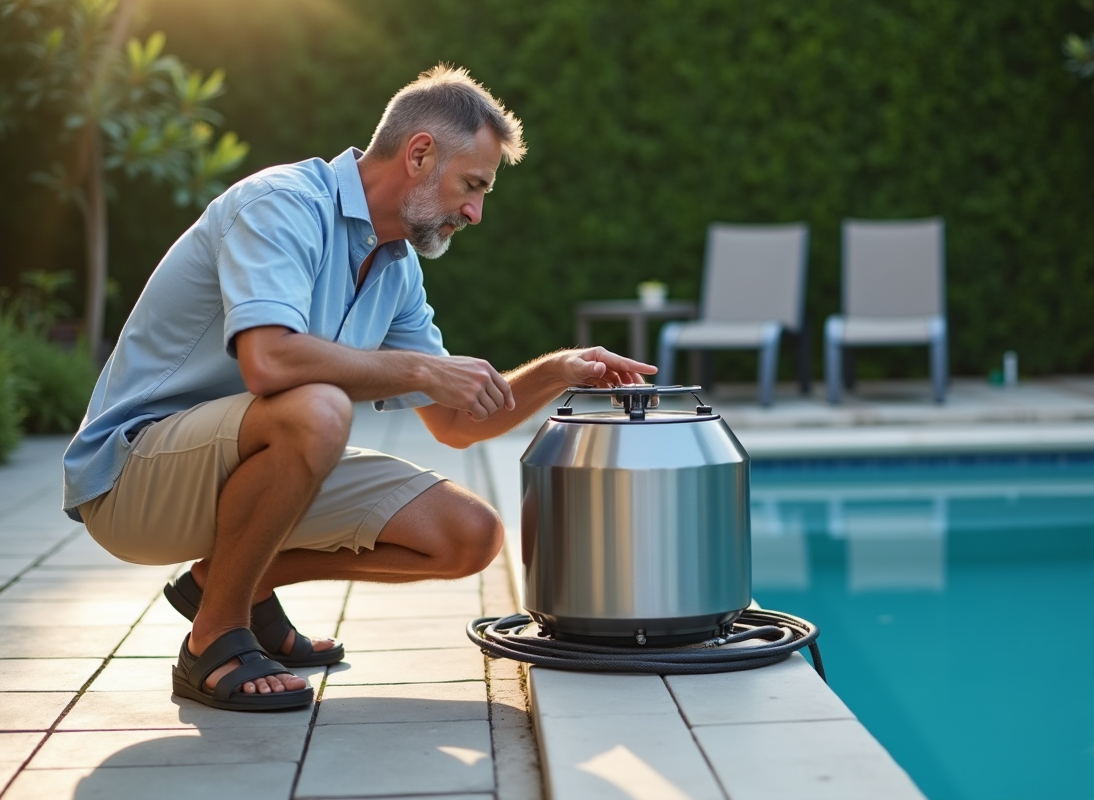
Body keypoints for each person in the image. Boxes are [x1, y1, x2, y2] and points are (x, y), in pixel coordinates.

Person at [62, 64, 655, 711]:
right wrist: (423, 369)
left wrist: (559, 370)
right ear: (420, 153)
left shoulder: (395, 267)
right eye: (473, 186)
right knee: (318, 408)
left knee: (468, 534)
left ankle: (230, 586)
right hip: (132, 476)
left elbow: (456, 423)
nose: (476, 213)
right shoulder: (282, 204)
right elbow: (269, 362)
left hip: (240, 464)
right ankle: (215, 635)